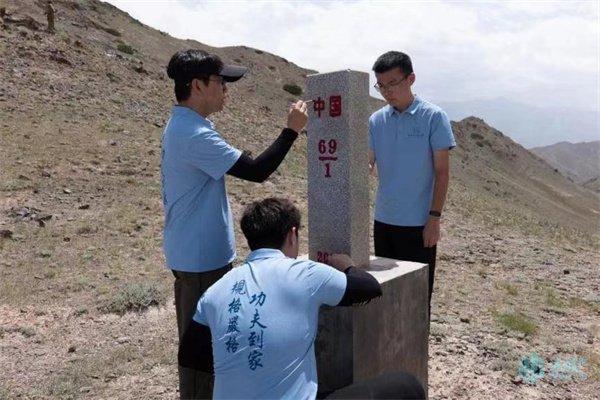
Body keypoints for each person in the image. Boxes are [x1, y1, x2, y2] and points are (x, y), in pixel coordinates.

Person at [161, 49, 308, 399]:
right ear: (197, 85)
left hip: (199, 256)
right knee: (201, 355)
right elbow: (256, 171)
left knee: (214, 345)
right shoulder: (193, 134)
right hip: (200, 263)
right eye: (220, 82)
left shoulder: (189, 126)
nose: (226, 89)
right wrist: (291, 131)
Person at [179, 197, 425, 399]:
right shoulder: (304, 273)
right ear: (292, 234)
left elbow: (189, 355)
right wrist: (348, 267)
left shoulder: (215, 290)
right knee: (405, 386)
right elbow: (368, 288)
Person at [368, 51, 456, 316]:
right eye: (381, 85)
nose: (386, 92)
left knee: (417, 298)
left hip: (419, 224)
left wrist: (434, 218)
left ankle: (417, 355)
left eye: (392, 83)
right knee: (386, 294)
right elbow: (366, 162)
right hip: (384, 220)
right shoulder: (376, 120)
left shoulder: (433, 117)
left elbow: (442, 172)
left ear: (411, 79)